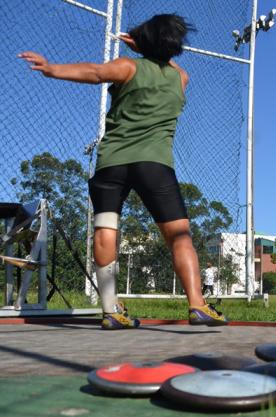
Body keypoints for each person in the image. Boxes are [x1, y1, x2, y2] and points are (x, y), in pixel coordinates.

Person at [19, 14, 228, 329]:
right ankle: (197, 305)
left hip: (111, 163)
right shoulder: (181, 78)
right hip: (154, 164)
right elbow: (166, 62)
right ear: (173, 46)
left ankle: (110, 310)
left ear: (144, 42)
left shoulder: (128, 67)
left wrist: (52, 69)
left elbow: (94, 72)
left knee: (107, 228)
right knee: (179, 235)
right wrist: (150, 46)